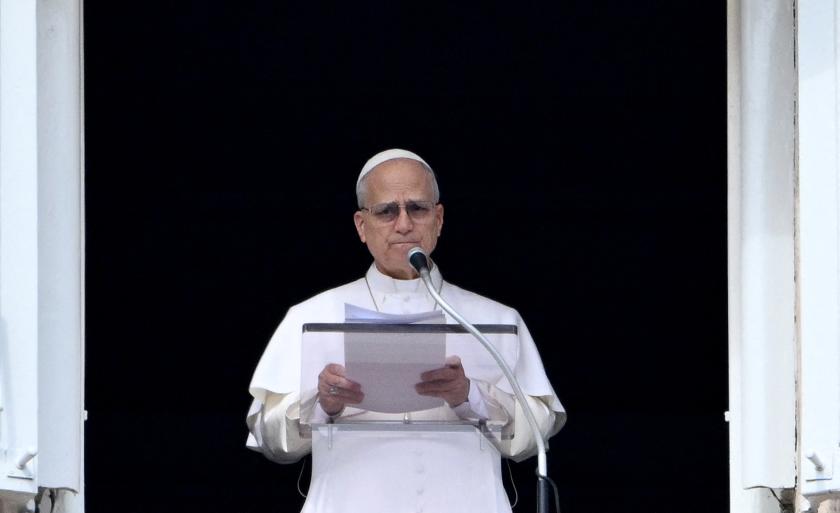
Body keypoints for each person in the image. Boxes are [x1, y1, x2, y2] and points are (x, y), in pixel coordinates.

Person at [246, 149, 565, 513]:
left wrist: (469, 395)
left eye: (418, 208)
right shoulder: (310, 316)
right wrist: (322, 403)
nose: (403, 224)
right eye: (386, 211)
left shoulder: (494, 319)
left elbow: (536, 438)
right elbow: (269, 441)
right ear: (361, 226)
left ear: (439, 218)